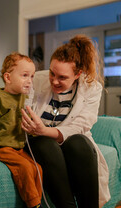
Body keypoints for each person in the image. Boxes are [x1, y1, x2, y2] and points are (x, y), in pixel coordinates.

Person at [21, 34, 110, 208]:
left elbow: (82, 125)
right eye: (52, 73)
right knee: (46, 144)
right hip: (40, 142)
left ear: (78, 74)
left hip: (68, 139)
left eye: (62, 77)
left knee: (80, 142)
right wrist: (37, 130)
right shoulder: (36, 79)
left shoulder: (92, 88)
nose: (54, 80)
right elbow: (21, 108)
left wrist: (45, 130)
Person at [0, 52, 42, 208]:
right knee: (24, 167)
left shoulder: (24, 99)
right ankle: (34, 204)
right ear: (8, 78)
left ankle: (37, 201)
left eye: (32, 77)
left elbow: (26, 125)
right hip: (0, 148)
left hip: (18, 148)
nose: (29, 81)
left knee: (37, 168)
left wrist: (32, 129)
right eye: (25, 75)